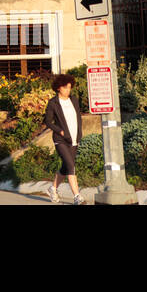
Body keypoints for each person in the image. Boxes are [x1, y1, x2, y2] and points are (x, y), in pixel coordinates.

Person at [37, 73, 85, 204]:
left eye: (69, 87)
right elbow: (48, 121)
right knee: (71, 165)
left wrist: (79, 133)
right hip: (61, 139)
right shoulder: (53, 103)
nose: (68, 90)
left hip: (74, 138)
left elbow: (78, 117)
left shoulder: (74, 100)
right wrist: (60, 131)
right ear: (58, 87)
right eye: (65, 88)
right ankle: (77, 196)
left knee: (65, 167)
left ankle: (53, 188)